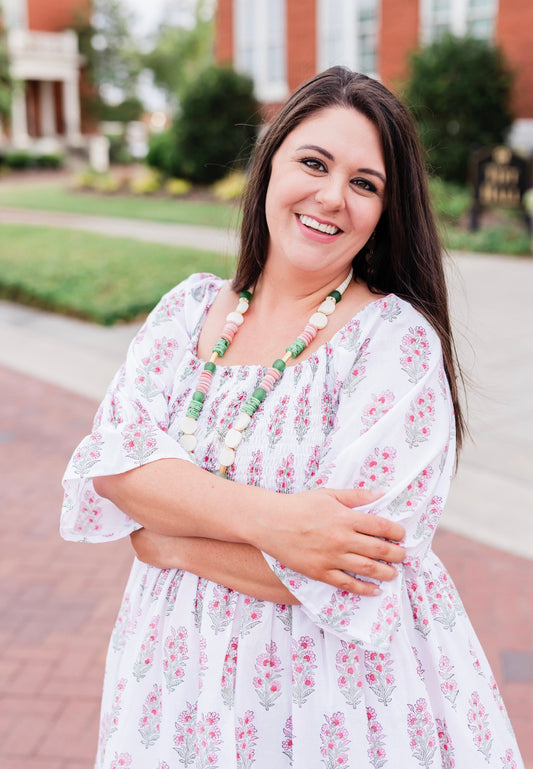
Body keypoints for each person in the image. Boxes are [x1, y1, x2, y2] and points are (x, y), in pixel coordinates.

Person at [61, 67, 524, 768]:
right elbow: (115, 468)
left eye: (364, 183)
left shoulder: (392, 345)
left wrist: (176, 539)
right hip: (172, 682)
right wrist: (279, 523)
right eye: (313, 162)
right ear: (269, 161)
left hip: (326, 704)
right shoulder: (186, 312)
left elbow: (355, 567)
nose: (331, 197)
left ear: (384, 210)